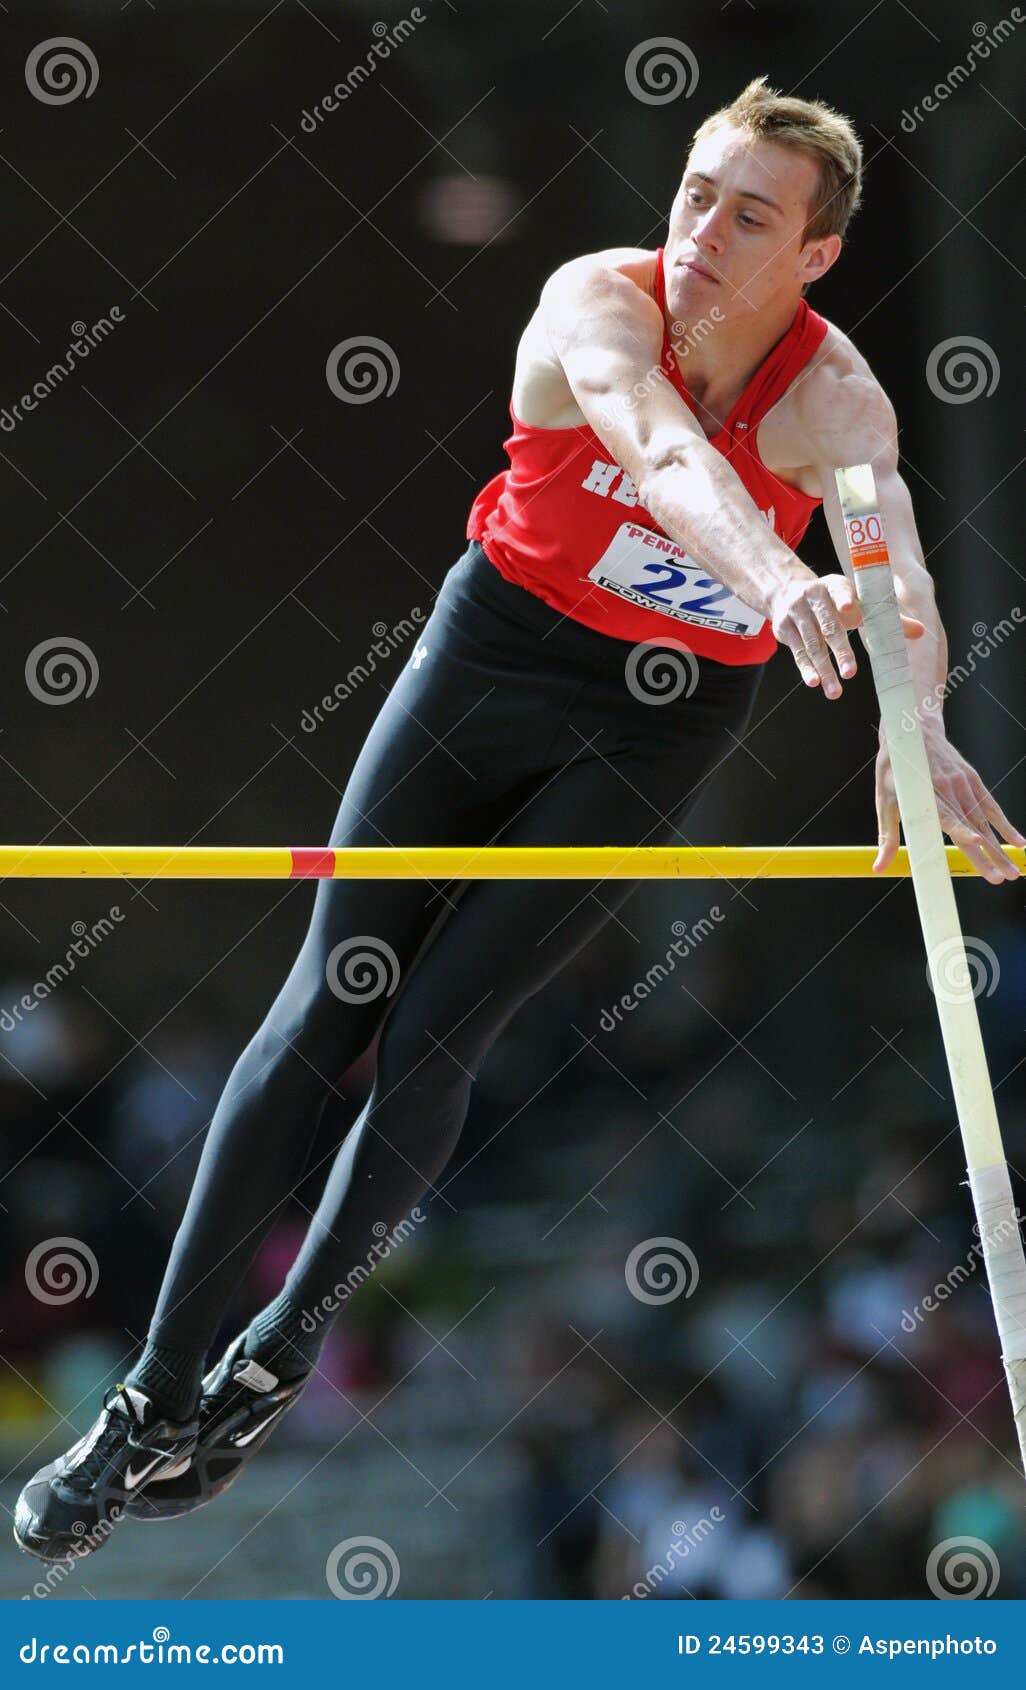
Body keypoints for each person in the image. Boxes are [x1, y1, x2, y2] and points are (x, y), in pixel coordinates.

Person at [15, 74, 1023, 1564]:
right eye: (692, 193)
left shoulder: (834, 397)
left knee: (439, 1034)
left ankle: (277, 1359)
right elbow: (666, 455)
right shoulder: (591, 303)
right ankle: (150, 1398)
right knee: (324, 1009)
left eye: (749, 217)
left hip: (654, 719)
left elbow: (900, 580)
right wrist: (773, 577)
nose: (701, 232)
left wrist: (915, 718)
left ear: (812, 255)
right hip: (487, 662)